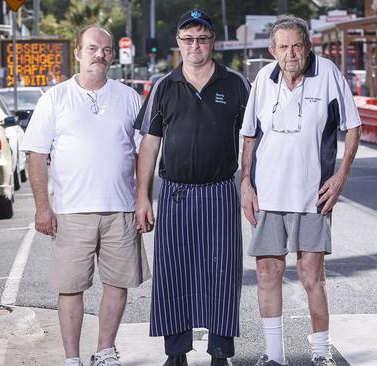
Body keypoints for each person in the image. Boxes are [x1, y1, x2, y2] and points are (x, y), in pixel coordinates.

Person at [21, 25, 148, 366]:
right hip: (71, 211)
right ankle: (72, 358)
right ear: (77, 53)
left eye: (106, 49)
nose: (100, 54)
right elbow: (36, 154)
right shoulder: (55, 98)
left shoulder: (129, 98)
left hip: (120, 209)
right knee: (70, 287)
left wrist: (143, 199)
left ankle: (105, 351)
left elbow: (143, 154)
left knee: (117, 284)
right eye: (92, 48)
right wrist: (42, 208)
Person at [239, 15, 362, 366]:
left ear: (308, 46)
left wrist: (341, 177)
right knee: (267, 274)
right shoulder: (264, 78)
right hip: (268, 195)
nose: (291, 53)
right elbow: (249, 134)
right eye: (283, 47)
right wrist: (246, 183)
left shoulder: (328, 74)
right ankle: (274, 355)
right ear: (272, 50)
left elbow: (353, 128)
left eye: (297, 45)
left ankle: (321, 353)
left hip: (312, 196)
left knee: (312, 277)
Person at [134, 9, 250, 366]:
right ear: (178, 44)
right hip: (175, 193)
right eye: (188, 39)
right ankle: (176, 351)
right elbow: (149, 145)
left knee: (222, 272)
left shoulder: (236, 83)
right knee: (172, 273)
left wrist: (247, 183)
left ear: (212, 42)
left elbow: (251, 140)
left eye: (202, 38)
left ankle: (220, 351)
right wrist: (142, 197)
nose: (195, 45)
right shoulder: (163, 86)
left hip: (219, 191)